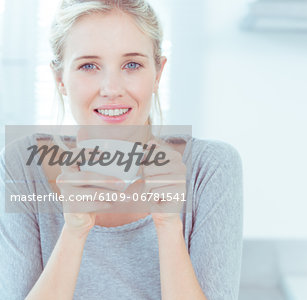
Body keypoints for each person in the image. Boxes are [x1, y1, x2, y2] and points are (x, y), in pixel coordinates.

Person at [0, 1, 243, 299]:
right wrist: (74, 231)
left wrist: (168, 227)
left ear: (157, 73)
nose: (111, 88)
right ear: (60, 78)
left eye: (132, 65)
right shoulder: (22, 166)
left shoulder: (211, 169)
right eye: (88, 65)